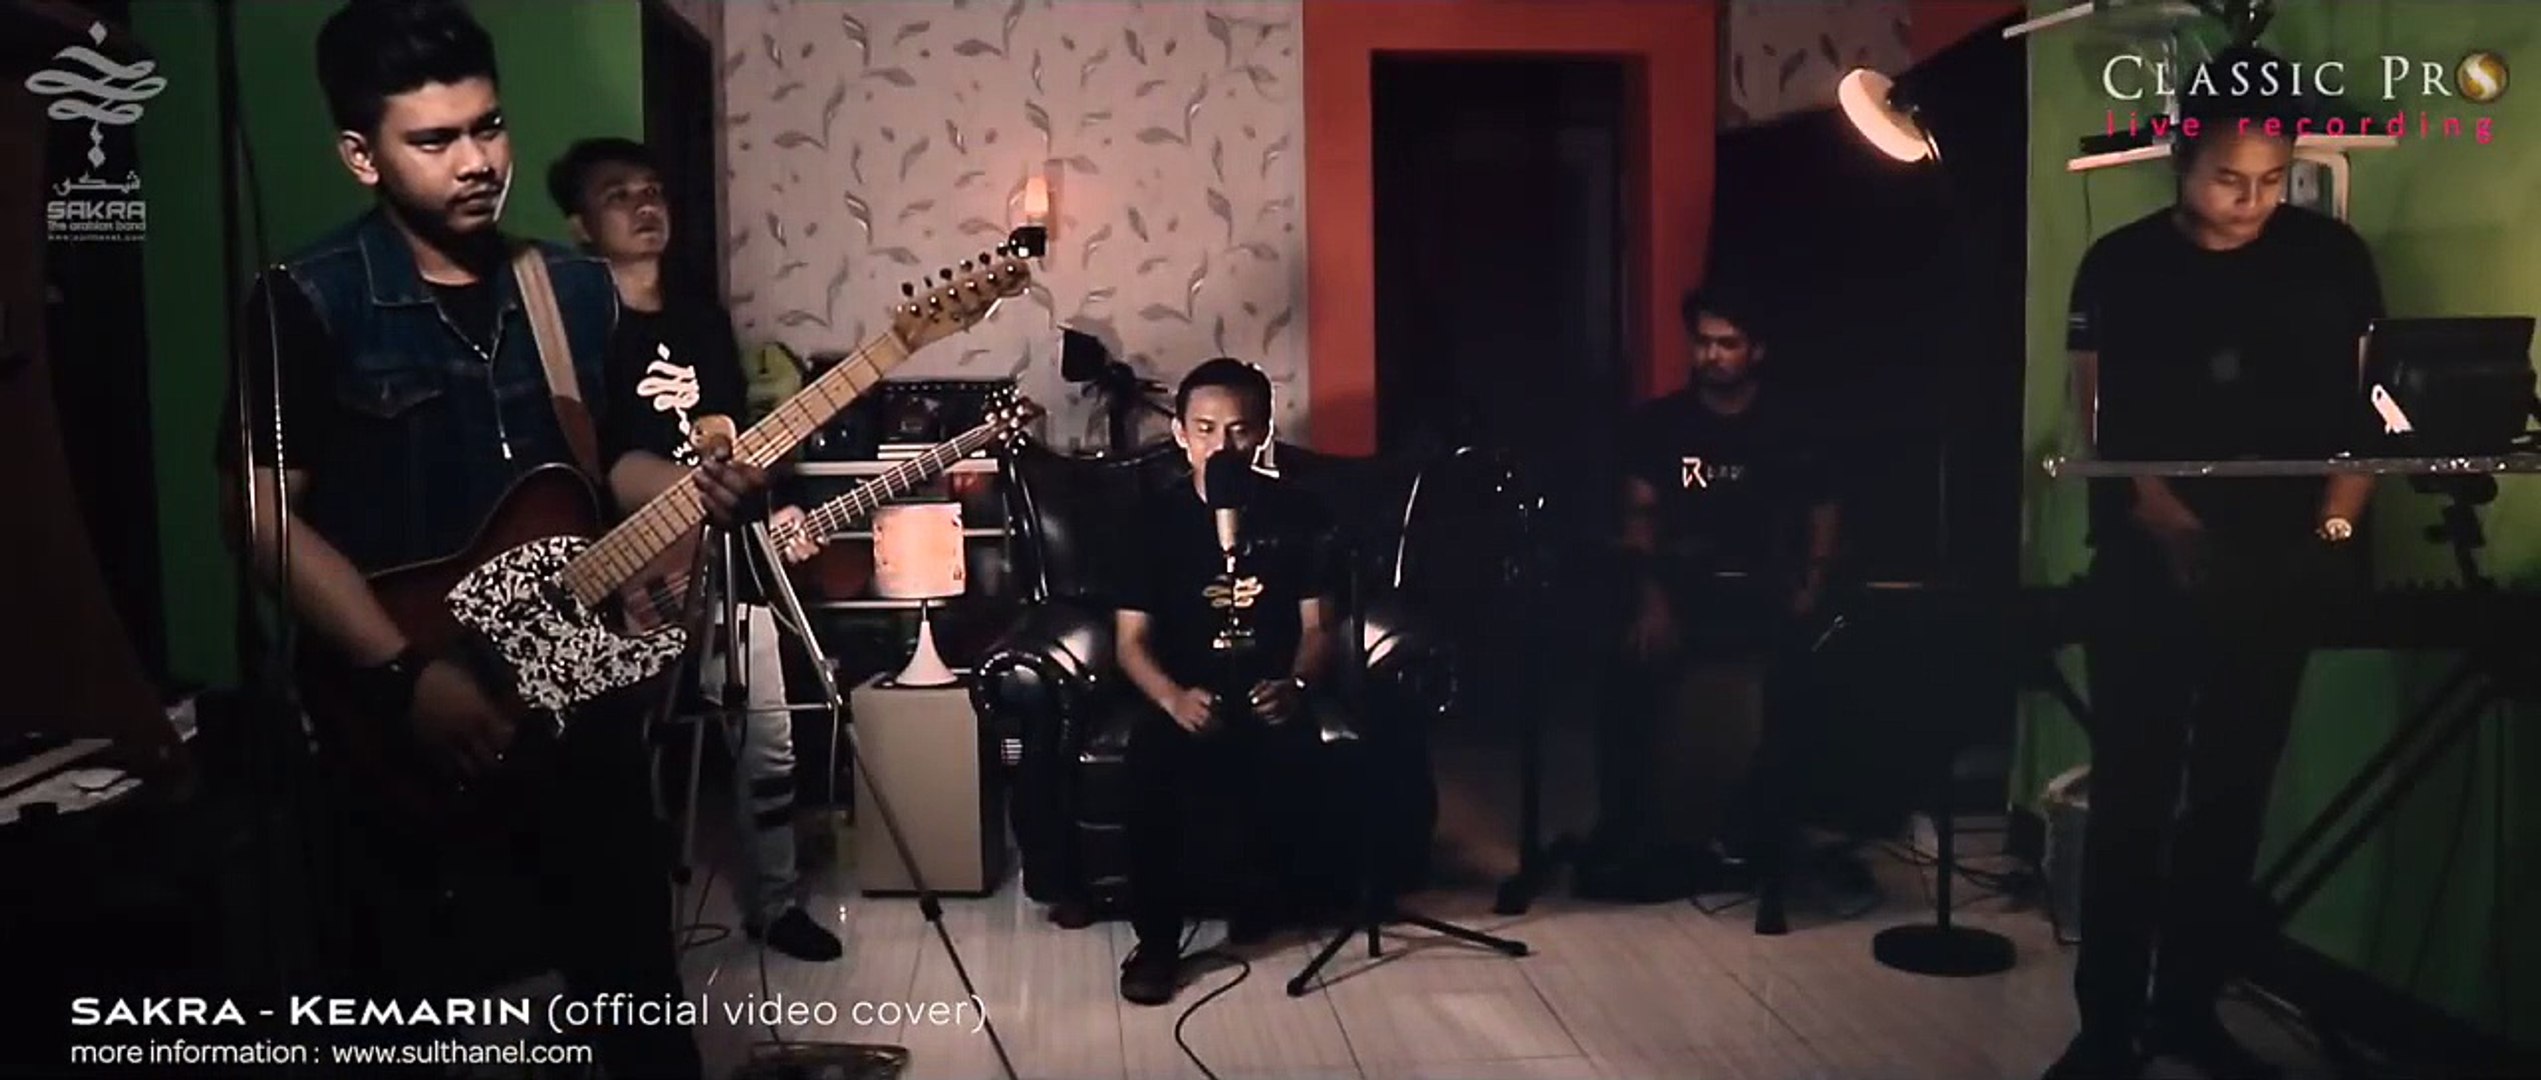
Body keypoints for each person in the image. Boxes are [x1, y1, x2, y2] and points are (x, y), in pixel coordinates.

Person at [214, 4, 756, 1075]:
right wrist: (404, 673)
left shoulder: (572, 289)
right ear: (361, 156)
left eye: (488, 126)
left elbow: (614, 462)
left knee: (637, 1009)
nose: (476, 162)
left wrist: (698, 494)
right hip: (405, 719)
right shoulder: (308, 298)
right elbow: (257, 513)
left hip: (577, 703)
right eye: (434, 140)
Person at [2048, 49, 2382, 1080]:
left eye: (2274, 180)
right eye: (2231, 179)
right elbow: (2095, 416)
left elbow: (2373, 409)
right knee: (2134, 795)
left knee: (2233, 794)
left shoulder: (2332, 258)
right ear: (2180, 161)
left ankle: (2187, 1010)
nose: (2253, 200)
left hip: (2281, 559)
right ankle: (2107, 1028)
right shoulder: (2121, 264)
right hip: (2145, 557)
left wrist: (2333, 530)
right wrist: (2171, 527)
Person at [549, 136, 844, 963]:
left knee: (768, 732)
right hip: (619, 572)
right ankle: (630, 921)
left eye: (652, 189)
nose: (645, 205)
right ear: (579, 225)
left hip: (719, 556)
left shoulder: (699, 318)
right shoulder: (571, 328)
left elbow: (726, 434)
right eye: (618, 195)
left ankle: (775, 904)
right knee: (626, 750)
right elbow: (587, 461)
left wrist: (759, 499)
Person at [1580, 283, 1861, 910]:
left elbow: (1824, 509)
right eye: (1703, 342)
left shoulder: (1790, 426)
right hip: (1682, 588)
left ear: (1756, 351)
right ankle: (1628, 827)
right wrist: (1651, 600)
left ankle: (1758, 830)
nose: (1711, 355)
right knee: (1621, 665)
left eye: (1727, 343)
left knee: (1810, 680)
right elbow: (1639, 517)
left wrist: (1813, 586)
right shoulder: (1660, 425)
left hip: (1769, 588)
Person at [1113, 358, 1342, 1006]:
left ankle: (1266, 896)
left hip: (1271, 691)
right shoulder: (1149, 520)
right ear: (1180, 434)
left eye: (1239, 430)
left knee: (1299, 758)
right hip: (1185, 694)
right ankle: (1157, 944)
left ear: (1263, 433)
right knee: (1149, 762)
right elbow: (1129, 642)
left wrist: (1296, 686)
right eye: (1205, 429)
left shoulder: (1299, 512)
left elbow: (1319, 627)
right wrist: (1171, 698)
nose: (1222, 446)